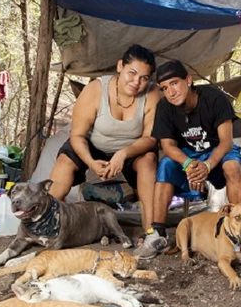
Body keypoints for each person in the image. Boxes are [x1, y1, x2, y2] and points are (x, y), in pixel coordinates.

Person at [134, 60, 241, 259]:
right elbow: (168, 146)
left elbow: (226, 142)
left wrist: (207, 165)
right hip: (188, 155)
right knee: (166, 164)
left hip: (217, 151)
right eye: (164, 88)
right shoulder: (164, 107)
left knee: (232, 166)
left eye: (174, 83)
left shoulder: (214, 98)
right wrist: (188, 164)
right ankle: (157, 233)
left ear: (188, 80)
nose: (171, 92)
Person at [48, 44, 160, 231]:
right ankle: (44, 223)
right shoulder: (96, 89)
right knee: (65, 162)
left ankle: (151, 232)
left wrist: (123, 154)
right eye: (132, 73)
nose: (136, 82)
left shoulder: (153, 93)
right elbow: (77, 135)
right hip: (93, 145)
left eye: (144, 78)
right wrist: (91, 162)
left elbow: (150, 139)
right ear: (120, 66)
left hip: (132, 148)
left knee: (148, 161)